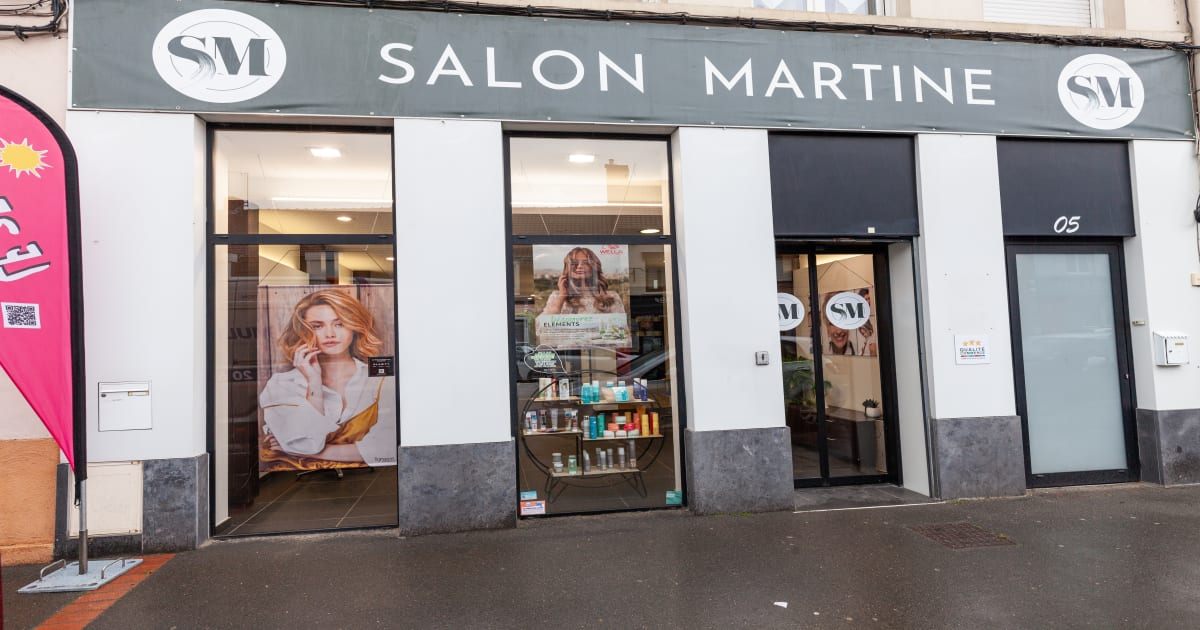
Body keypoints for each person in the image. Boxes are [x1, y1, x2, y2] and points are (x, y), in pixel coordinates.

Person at [259, 289, 396, 470]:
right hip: (296, 489)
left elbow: (387, 450)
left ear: (354, 327)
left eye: (339, 324)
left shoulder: (381, 379)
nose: (330, 334)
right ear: (303, 331)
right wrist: (313, 382)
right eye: (317, 326)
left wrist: (299, 450)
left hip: (369, 483)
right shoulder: (281, 384)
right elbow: (307, 444)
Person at [541, 247, 625, 315]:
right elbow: (542, 329)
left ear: (594, 267)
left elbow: (622, 331)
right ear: (567, 268)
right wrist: (562, 296)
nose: (580, 266)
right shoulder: (556, 297)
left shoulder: (612, 297)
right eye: (574, 263)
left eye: (586, 262)